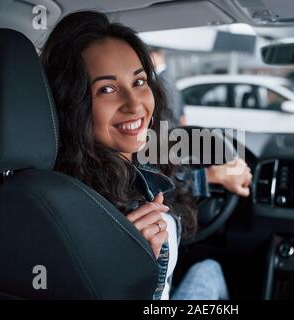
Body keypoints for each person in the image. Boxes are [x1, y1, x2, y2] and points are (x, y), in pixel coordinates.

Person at [40, 11, 253, 300]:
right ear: (71, 103)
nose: (135, 105)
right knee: (211, 270)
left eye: (139, 82)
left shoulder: (119, 163)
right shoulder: (75, 211)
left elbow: (160, 180)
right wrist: (124, 268)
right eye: (107, 89)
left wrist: (213, 176)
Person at [149, 46, 186, 126]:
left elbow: (169, 104)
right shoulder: (165, 75)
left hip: (167, 125)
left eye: (149, 57)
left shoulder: (164, 77)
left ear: (155, 56)